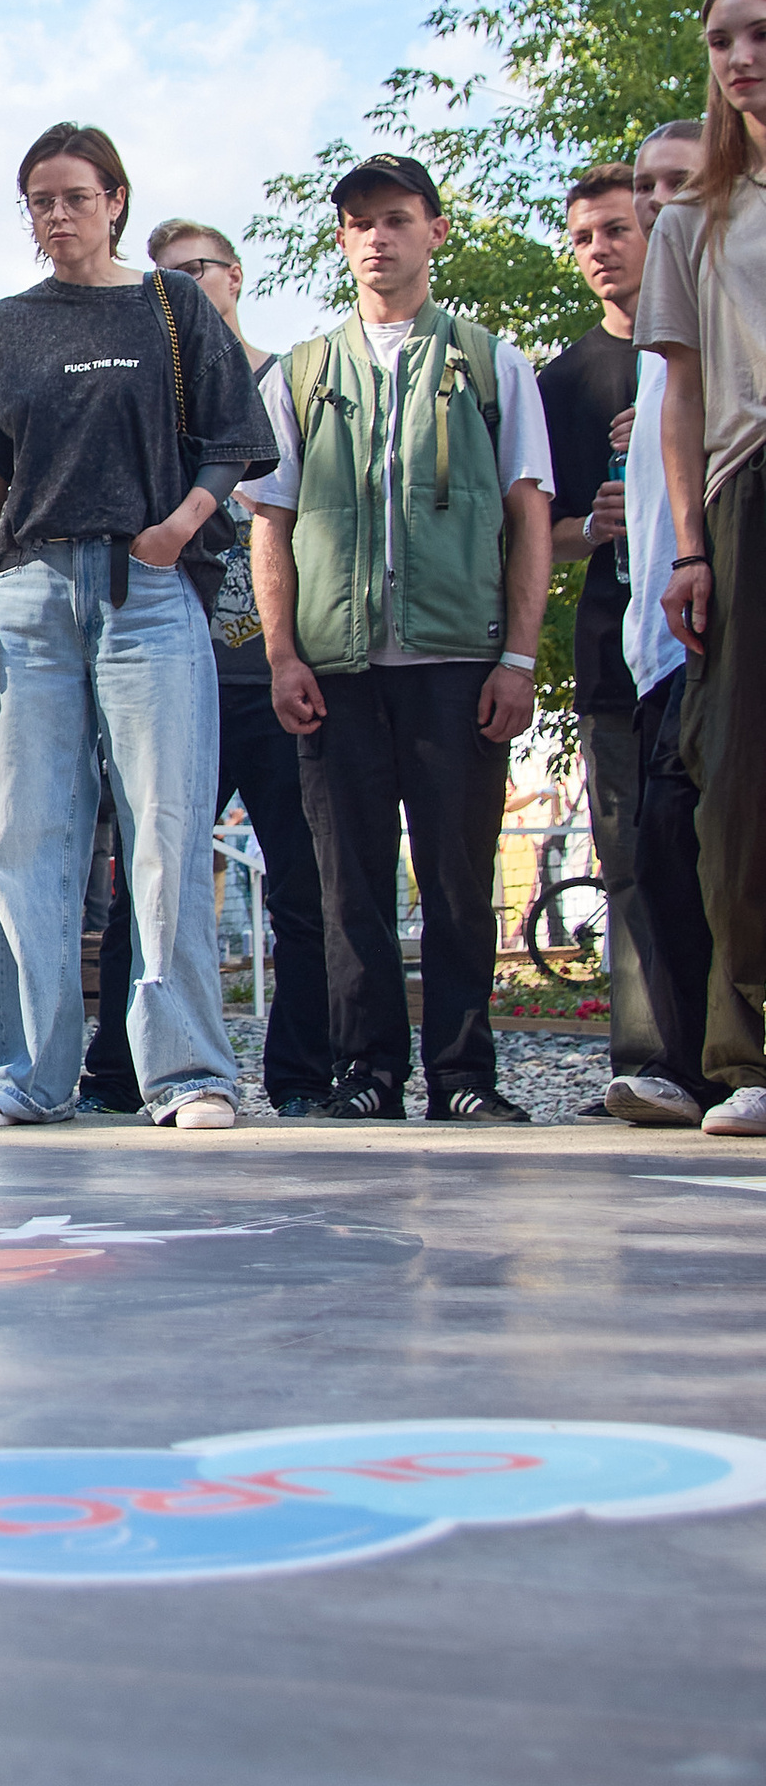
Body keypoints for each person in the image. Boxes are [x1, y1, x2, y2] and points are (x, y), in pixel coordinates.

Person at [0, 125, 271, 1130]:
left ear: (114, 199)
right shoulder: (7, 323)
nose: (56, 215)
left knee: (164, 831)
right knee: (22, 838)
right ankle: (26, 1077)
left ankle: (189, 1075)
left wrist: (181, 524)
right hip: (34, 590)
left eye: (75, 195)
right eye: (39, 199)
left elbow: (232, 442)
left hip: (149, 585)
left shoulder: (171, 307)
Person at [247, 155, 552, 1126]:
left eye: (395, 219)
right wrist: (281, 655)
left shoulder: (490, 362)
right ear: (341, 241)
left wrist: (517, 658)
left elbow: (527, 512)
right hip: (336, 671)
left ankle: (465, 1073)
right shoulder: (302, 372)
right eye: (358, 224)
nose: (376, 238)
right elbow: (269, 521)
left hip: (458, 666)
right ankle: (365, 1071)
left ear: (433, 230)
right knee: (349, 887)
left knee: (459, 881)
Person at [90, 217, 334, 1121]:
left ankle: (305, 1078)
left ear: (235, 276)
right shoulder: (149, 394)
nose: (186, 288)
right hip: (168, 676)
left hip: (275, 678)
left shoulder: (291, 381)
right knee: (145, 885)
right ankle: (118, 1068)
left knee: (303, 891)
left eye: (200, 271)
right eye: (167, 278)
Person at [639, 0, 766, 1138]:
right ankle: (748, 1052)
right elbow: (679, 395)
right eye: (720, 41)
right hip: (744, 490)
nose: (738, 56)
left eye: (757, 34)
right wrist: (690, 547)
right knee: (735, 783)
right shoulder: (694, 220)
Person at [536, 166, 679, 1121]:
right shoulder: (564, 380)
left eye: (618, 230)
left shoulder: (710, 345)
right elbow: (535, 537)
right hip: (612, 643)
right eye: (585, 237)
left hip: (709, 635)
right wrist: (601, 526)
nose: (601, 251)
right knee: (629, 852)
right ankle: (647, 1062)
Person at [618, 122, 712, 1121]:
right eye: (648, 184)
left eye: (677, 181)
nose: (657, 201)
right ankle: (691, 1065)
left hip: (711, 623)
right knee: (662, 850)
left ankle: (724, 1063)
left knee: (709, 844)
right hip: (652, 642)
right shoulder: (656, 343)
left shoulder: (723, 307)